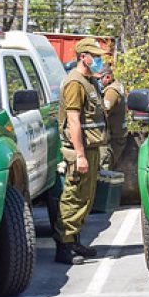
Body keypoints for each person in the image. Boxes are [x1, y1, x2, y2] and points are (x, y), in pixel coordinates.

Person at [55, 38, 109, 265]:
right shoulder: (75, 83)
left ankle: (75, 240)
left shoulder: (90, 81)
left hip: (92, 148)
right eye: (93, 56)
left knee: (86, 198)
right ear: (82, 56)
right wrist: (79, 155)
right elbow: (74, 121)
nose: (98, 60)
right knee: (73, 197)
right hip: (80, 150)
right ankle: (64, 246)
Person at [99, 64, 128, 171]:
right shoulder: (118, 86)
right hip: (119, 134)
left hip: (113, 138)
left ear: (108, 77)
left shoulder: (111, 91)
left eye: (100, 78)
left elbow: (105, 110)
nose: (99, 81)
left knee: (103, 167)